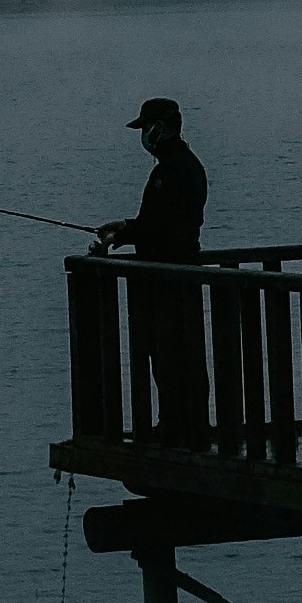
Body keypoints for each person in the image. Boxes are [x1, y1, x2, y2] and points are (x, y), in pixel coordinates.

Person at [96, 97, 211, 436]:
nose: (143, 136)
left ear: (159, 128)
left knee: (170, 352)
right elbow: (162, 221)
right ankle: (184, 422)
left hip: (169, 276)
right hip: (177, 272)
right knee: (176, 351)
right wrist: (127, 228)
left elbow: (162, 227)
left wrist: (127, 232)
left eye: (145, 128)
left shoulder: (171, 170)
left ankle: (177, 425)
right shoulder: (186, 164)